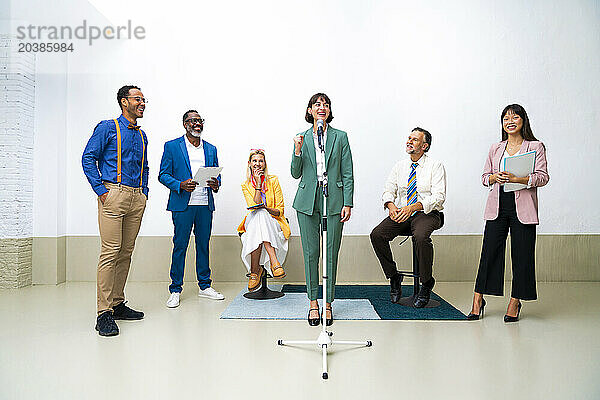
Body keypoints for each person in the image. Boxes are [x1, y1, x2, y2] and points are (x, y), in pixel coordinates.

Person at [468, 104, 549, 322]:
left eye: (515, 117)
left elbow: (542, 177)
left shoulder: (535, 146)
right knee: (489, 253)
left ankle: (515, 301)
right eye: (505, 118)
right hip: (497, 206)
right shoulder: (495, 148)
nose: (510, 121)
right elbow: (485, 177)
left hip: (523, 207)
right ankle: (478, 299)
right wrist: (496, 178)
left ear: (523, 120)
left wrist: (518, 179)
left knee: (522, 255)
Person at [82, 85, 149, 337]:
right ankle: (103, 313)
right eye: (137, 99)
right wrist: (101, 190)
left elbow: (146, 167)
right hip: (113, 194)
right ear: (124, 102)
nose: (142, 103)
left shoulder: (142, 135)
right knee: (110, 252)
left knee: (126, 252)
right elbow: (88, 157)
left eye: (143, 99)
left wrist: (144, 192)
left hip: (135, 197)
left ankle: (118, 303)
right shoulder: (107, 127)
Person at [291, 93, 354, 326]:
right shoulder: (302, 137)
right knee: (311, 253)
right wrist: (297, 150)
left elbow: (347, 172)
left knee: (331, 252)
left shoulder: (340, 137)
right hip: (307, 199)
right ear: (309, 110)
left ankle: (328, 303)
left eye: (326, 104)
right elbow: (295, 173)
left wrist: (348, 202)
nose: (322, 107)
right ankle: (313, 304)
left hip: (334, 199)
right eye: (317, 104)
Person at [370, 127, 446, 308]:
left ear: (424, 146)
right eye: (409, 138)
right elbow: (388, 190)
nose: (409, 141)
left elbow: (439, 197)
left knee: (420, 237)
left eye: (415, 139)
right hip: (403, 213)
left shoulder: (435, 166)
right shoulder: (400, 166)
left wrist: (412, 207)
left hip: (427, 213)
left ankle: (426, 283)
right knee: (377, 235)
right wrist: (391, 206)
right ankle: (394, 276)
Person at [158, 110, 223, 308]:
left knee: (203, 245)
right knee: (180, 246)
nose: (197, 124)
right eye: (192, 121)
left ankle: (205, 286)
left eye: (199, 121)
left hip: (204, 205)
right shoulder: (172, 146)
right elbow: (163, 174)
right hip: (183, 205)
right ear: (185, 124)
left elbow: (217, 175)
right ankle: (175, 289)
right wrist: (180, 185)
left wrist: (215, 183)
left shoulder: (211, 148)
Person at [237, 149, 290, 291]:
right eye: (254, 161)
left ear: (265, 164)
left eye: (261, 161)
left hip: (273, 221)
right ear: (249, 164)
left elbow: (280, 210)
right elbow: (253, 206)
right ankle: (274, 261)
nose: (258, 164)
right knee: (259, 212)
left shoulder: (273, 180)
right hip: (253, 220)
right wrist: (258, 185)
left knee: (262, 213)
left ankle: (255, 272)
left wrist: (265, 208)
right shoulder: (246, 185)